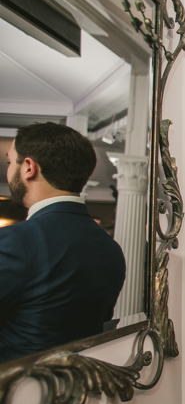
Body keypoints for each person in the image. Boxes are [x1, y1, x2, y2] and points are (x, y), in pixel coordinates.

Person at [0, 123, 126, 363]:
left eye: (10, 162)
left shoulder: (16, 241)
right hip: (79, 388)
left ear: (28, 167)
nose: (8, 171)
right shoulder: (110, 248)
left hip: (16, 388)